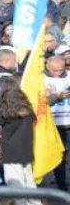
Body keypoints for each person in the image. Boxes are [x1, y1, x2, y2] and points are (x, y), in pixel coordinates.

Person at [0, 80, 38, 205]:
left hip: (10, 149)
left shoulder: (4, 108)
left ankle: (21, 203)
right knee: (29, 179)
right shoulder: (27, 106)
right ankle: (35, 202)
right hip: (26, 147)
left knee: (14, 180)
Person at [47, 56, 70, 191]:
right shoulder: (42, 79)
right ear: (48, 67)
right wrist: (57, 97)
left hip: (68, 123)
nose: (58, 73)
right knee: (58, 158)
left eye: (61, 70)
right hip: (53, 125)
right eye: (55, 71)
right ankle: (62, 186)